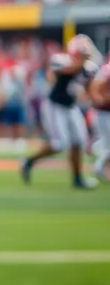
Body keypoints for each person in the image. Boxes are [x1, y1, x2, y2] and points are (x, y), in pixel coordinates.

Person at [20, 34, 99, 189]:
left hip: (71, 106)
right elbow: (62, 72)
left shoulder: (89, 67)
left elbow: (88, 87)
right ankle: (29, 161)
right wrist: (81, 61)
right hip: (54, 106)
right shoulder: (61, 60)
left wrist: (93, 100)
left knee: (79, 141)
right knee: (59, 144)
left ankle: (77, 178)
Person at [89, 58, 110, 179]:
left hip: (102, 112)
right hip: (103, 112)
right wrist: (100, 99)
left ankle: (95, 149)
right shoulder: (106, 70)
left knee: (106, 143)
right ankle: (98, 164)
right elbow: (96, 87)